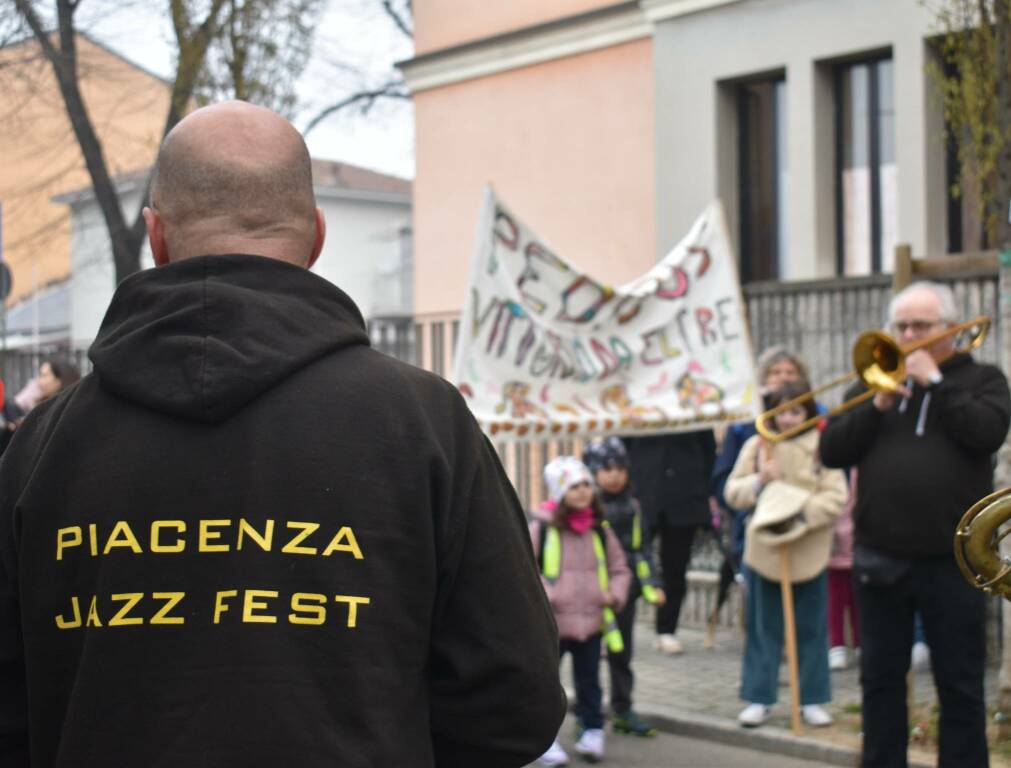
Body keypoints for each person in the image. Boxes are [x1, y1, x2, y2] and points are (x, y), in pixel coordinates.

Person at [0, 101, 566, 768]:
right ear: (316, 236)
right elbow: (514, 703)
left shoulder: (41, 444)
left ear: (156, 237)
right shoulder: (423, 424)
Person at [820, 280, 1011, 768]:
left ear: (949, 329)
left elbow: (985, 433)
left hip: (956, 563)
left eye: (921, 326)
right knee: (880, 683)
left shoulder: (982, 379)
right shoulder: (873, 384)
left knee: (961, 685)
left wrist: (936, 384)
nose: (909, 335)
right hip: (880, 556)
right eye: (901, 326)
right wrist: (876, 404)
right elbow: (832, 449)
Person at [724, 381, 847, 728]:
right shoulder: (758, 445)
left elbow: (836, 496)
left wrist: (799, 511)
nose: (789, 419)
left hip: (809, 548)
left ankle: (812, 698)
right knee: (763, 628)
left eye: (796, 410)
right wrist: (760, 481)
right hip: (765, 550)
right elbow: (732, 492)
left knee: (812, 628)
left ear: (807, 411)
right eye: (781, 411)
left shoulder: (823, 446)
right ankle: (758, 697)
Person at [531, 456, 631, 766]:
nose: (584, 490)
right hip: (554, 625)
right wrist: (550, 594)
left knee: (589, 683)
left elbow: (620, 568)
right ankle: (544, 740)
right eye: (575, 485)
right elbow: (524, 570)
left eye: (587, 484)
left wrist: (613, 596)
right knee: (547, 685)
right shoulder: (542, 530)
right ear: (560, 491)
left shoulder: (599, 530)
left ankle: (592, 731)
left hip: (591, 623)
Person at [709, 347, 812, 645]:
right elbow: (724, 480)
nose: (782, 378)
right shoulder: (746, 424)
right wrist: (757, 481)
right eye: (775, 373)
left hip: (805, 526)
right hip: (756, 525)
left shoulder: (816, 419)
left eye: (789, 373)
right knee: (763, 608)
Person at [582, 437, 665, 738]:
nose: (614, 474)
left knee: (621, 654)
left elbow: (641, 550)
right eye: (606, 468)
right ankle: (586, 713)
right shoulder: (585, 507)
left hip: (622, 596)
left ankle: (623, 710)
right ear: (592, 471)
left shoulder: (633, 507)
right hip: (588, 598)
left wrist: (651, 584)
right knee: (587, 658)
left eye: (620, 467)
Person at [624, 429, 715, 655]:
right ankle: (619, 628)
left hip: (684, 497)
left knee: (676, 568)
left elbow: (708, 450)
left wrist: (705, 494)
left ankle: (667, 630)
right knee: (627, 565)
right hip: (644, 492)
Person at [827, 469, 859, 671]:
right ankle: (836, 645)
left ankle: (860, 643)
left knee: (858, 601)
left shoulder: (858, 470)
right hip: (832, 545)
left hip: (858, 544)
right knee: (834, 600)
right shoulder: (830, 469)